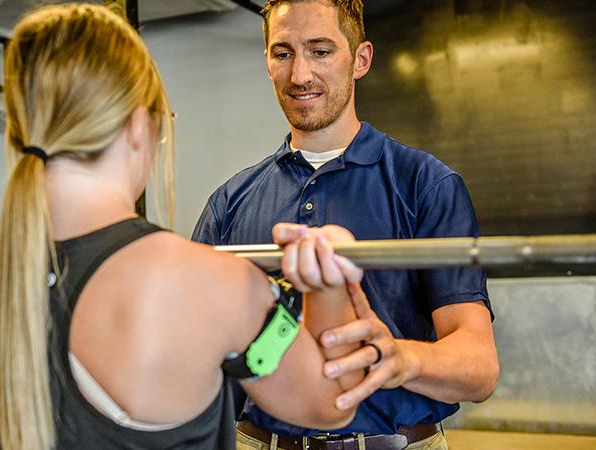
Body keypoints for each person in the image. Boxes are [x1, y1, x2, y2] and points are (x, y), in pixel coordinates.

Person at [0, 4, 372, 450]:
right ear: (140, 126)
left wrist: (20, 258)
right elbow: (331, 403)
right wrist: (328, 280)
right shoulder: (210, 281)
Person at [190, 0, 500, 449]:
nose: (300, 75)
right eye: (283, 53)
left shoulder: (425, 185)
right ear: (268, 62)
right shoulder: (229, 203)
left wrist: (398, 358)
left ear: (360, 59)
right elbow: (195, 355)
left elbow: (480, 368)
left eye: (320, 51)